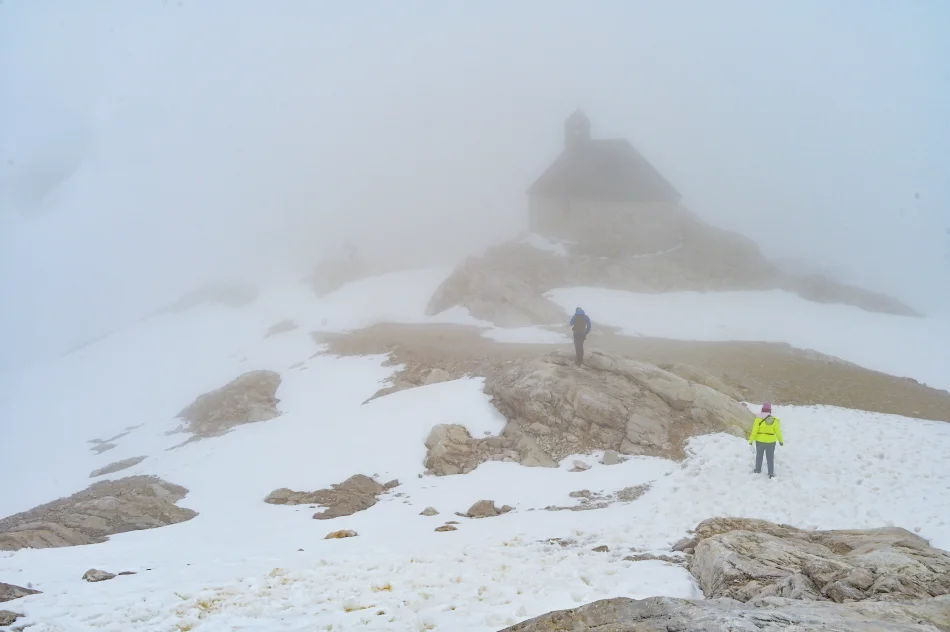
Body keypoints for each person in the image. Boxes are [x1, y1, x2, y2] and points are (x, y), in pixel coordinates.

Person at [749, 402, 783, 478]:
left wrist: (751, 440)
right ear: (770, 411)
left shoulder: (758, 419)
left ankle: (758, 470)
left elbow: (754, 431)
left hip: (760, 441)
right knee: (770, 457)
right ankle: (770, 473)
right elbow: (778, 432)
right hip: (771, 442)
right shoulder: (774, 420)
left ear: (762, 410)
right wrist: (781, 441)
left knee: (759, 456)